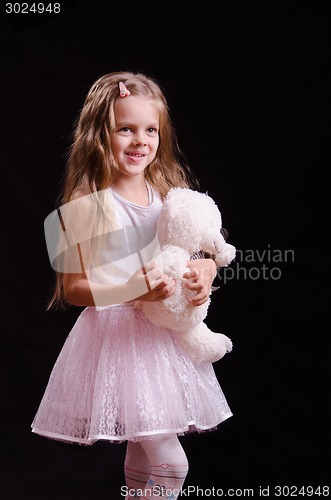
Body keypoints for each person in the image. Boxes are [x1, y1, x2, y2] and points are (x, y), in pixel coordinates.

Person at [31, 71, 233, 499]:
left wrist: (207, 270)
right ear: (98, 135)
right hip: (118, 341)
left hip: (162, 341)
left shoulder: (166, 196)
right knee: (171, 463)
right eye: (126, 129)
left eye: (150, 130)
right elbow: (73, 289)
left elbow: (199, 250)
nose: (140, 141)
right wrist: (131, 290)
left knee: (144, 456)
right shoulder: (84, 207)